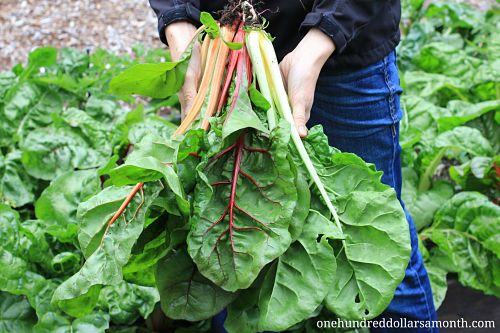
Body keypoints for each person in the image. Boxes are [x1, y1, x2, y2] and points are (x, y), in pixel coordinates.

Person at [148, 1, 438, 332]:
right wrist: (178, 20)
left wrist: (324, 36)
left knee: (373, 248)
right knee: (225, 246)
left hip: (343, 53)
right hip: (225, 61)